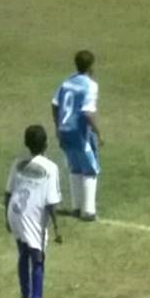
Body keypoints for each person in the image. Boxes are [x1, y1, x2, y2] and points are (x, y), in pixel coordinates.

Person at [5, 125, 62, 298]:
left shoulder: (18, 163)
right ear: (46, 144)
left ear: (26, 144)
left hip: (15, 212)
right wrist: (56, 228)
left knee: (23, 253)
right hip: (32, 217)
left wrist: (6, 217)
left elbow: (8, 192)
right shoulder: (51, 168)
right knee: (38, 259)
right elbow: (52, 203)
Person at [52, 51, 103, 221]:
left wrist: (57, 126)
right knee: (90, 168)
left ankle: (76, 207)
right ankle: (88, 211)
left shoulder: (67, 82)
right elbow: (87, 113)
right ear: (90, 66)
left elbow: (54, 104)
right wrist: (98, 133)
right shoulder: (90, 85)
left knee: (75, 166)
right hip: (80, 132)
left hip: (64, 129)